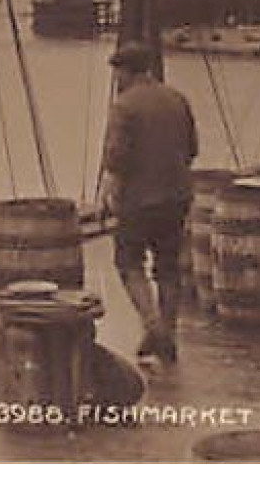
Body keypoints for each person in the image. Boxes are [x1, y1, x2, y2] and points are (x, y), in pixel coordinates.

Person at [95, 41, 198, 365]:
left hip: (139, 201)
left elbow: (116, 158)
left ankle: (154, 327)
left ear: (125, 71)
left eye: (117, 72)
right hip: (177, 196)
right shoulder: (177, 98)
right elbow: (192, 149)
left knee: (128, 262)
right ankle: (169, 331)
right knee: (168, 267)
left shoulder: (124, 106)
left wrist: (107, 197)